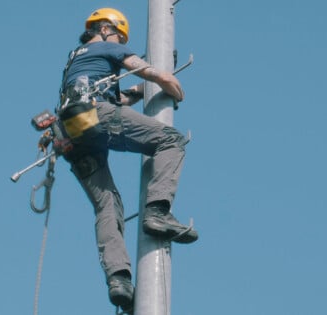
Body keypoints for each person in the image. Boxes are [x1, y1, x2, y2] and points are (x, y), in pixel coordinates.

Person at [58, 8, 198, 312]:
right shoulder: (108, 46)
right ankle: (157, 212)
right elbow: (145, 70)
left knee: (107, 206)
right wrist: (164, 78)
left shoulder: (77, 59)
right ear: (108, 29)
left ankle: (119, 281)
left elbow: (119, 98)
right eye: (120, 36)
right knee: (170, 140)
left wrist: (142, 89)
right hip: (97, 116)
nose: (121, 41)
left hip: (72, 130)